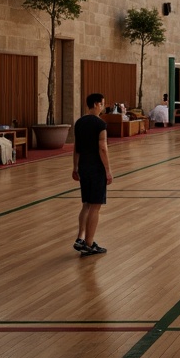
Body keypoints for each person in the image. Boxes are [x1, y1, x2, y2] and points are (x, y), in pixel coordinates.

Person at [72, 93, 112, 256]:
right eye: (102, 104)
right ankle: (89, 244)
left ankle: (80, 237)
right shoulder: (100, 124)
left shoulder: (79, 123)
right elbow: (102, 147)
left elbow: (77, 147)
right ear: (96, 104)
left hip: (83, 167)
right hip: (96, 168)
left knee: (86, 204)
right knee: (95, 206)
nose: (102, 107)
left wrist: (75, 167)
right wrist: (108, 170)